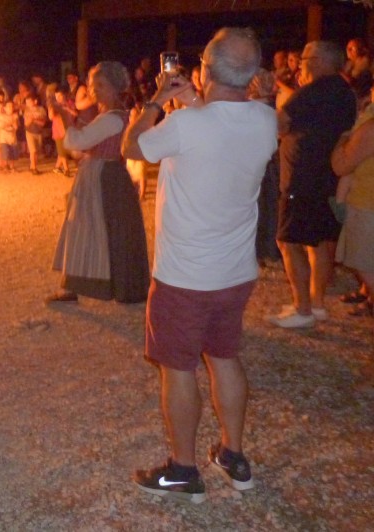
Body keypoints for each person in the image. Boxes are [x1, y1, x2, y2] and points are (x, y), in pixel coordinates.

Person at [121, 27, 278, 504]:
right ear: (251, 75)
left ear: (206, 70)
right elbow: (220, 135)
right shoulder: (266, 120)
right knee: (225, 357)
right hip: (235, 272)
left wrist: (155, 102)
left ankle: (184, 469)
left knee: (178, 368)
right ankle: (233, 454)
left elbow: (130, 146)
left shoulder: (185, 126)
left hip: (185, 275)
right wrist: (194, 104)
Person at [267, 41, 356, 328]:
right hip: (328, 176)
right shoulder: (344, 92)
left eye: (304, 59)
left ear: (316, 61)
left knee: (288, 240)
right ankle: (316, 304)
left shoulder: (313, 90)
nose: (300, 65)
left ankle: (301, 308)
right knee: (320, 242)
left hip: (302, 177)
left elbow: (279, 122)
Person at [46, 61, 149, 304]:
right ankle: (114, 287)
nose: (95, 90)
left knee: (87, 229)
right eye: (93, 85)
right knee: (102, 230)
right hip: (104, 174)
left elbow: (76, 142)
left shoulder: (112, 119)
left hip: (103, 175)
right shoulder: (112, 115)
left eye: (101, 85)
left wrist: (63, 116)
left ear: (115, 87)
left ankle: (88, 287)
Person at [331, 93, 374, 325]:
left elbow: (342, 164)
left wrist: (342, 141)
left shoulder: (370, 129)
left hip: (368, 205)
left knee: (366, 265)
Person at [23, 95, 49, 175]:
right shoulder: (26, 111)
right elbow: (26, 124)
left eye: (29, 101)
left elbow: (43, 123)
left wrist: (34, 120)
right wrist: (31, 120)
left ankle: (32, 166)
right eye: (26, 102)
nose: (27, 104)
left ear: (35, 101)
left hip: (38, 133)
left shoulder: (41, 110)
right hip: (29, 132)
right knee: (33, 151)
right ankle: (34, 168)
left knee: (36, 151)